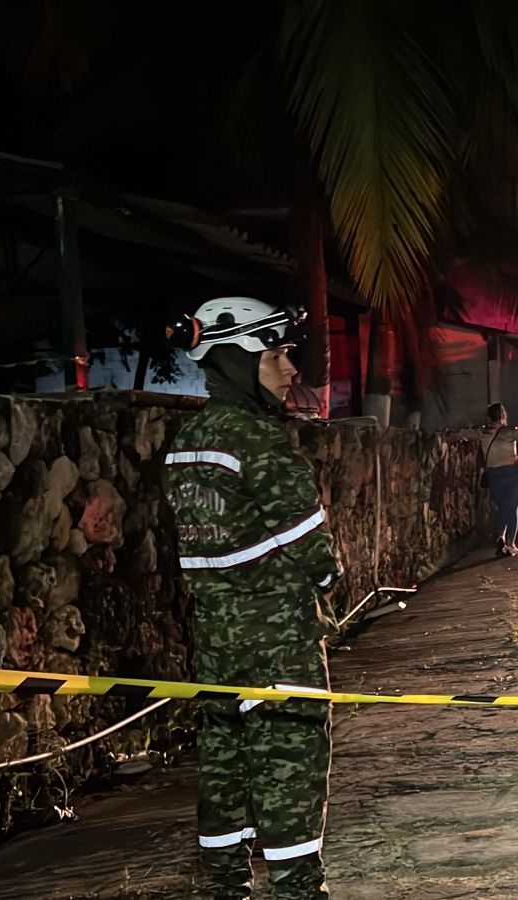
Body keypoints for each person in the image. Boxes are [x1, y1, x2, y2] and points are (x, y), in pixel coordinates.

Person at [163, 297, 340, 899]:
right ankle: (295, 888)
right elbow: (313, 547)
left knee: (224, 757)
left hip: (215, 639)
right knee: (288, 756)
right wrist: (325, 587)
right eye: (276, 353)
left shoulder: (187, 442)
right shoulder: (257, 438)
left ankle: (224, 883)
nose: (290, 368)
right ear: (237, 359)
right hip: (277, 641)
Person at [473, 402, 518, 556]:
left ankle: (501, 536)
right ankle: (510, 543)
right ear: (503, 415)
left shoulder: (483, 432)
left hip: (494, 474)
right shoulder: (510, 431)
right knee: (512, 508)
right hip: (513, 472)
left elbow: (462, 434)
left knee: (503, 507)